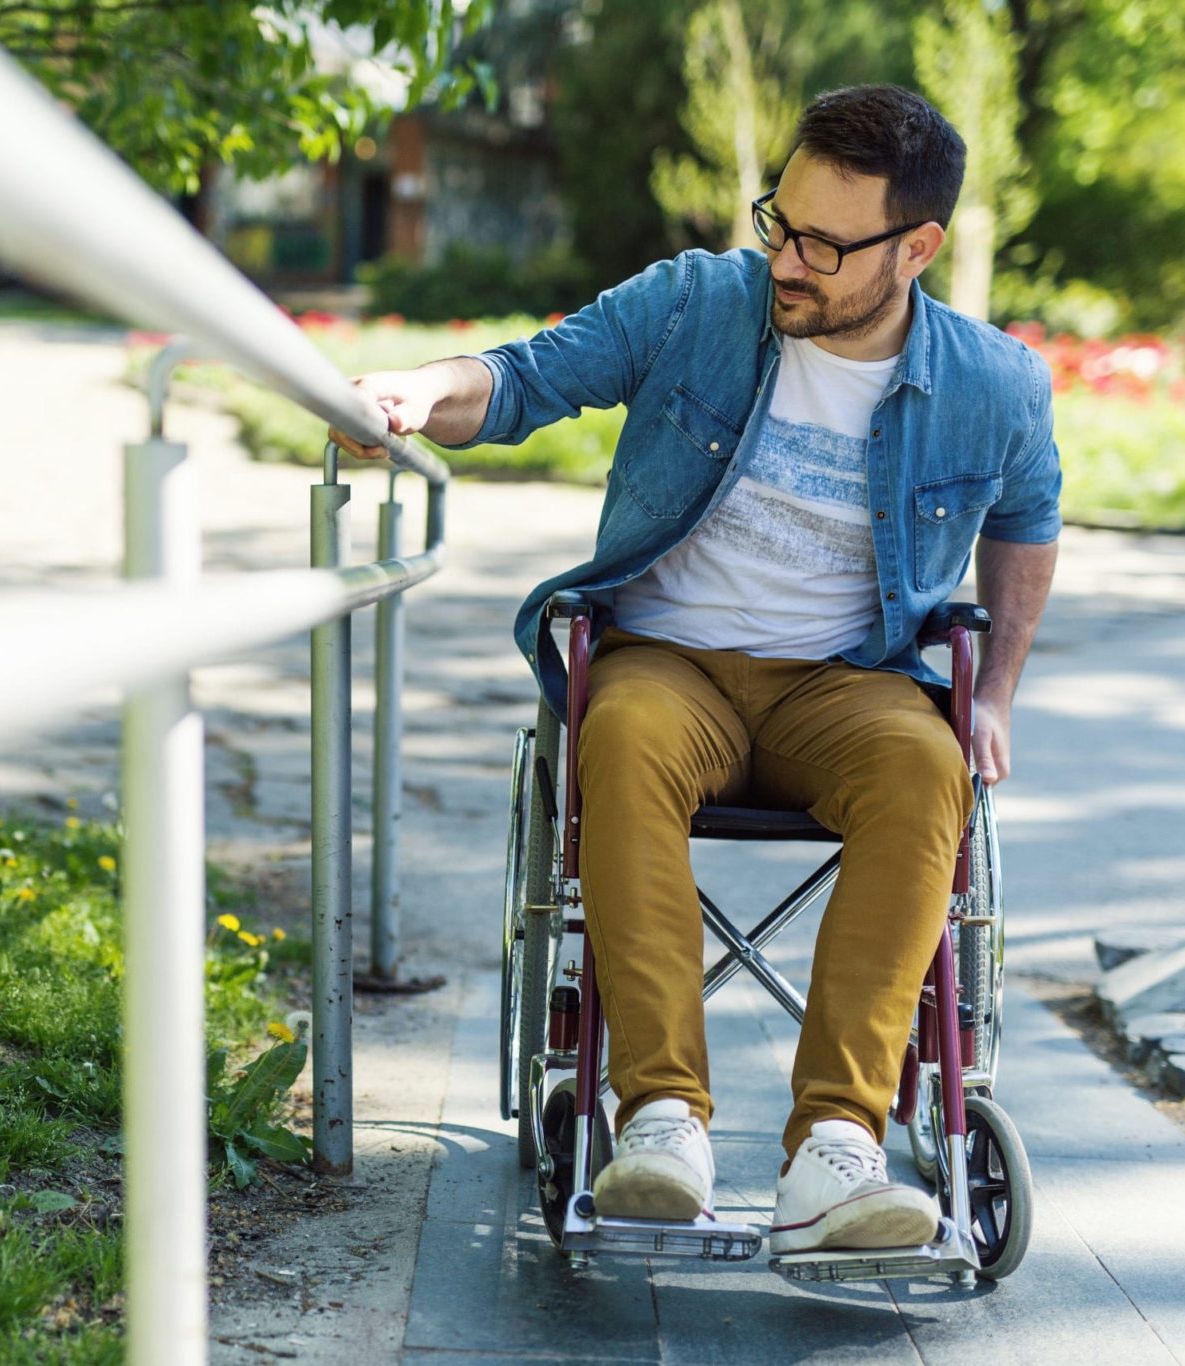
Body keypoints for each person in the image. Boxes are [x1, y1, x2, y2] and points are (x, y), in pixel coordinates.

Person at [329, 84, 1060, 1253]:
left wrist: (1001, 691)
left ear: (915, 247)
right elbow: (521, 377)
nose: (789, 260)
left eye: (826, 244)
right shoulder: (696, 305)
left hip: (845, 681)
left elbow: (1026, 517)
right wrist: (418, 392)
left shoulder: (993, 385)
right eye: (781, 222)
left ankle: (837, 1148)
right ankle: (660, 1118)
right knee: (613, 732)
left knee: (928, 773)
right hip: (668, 663)